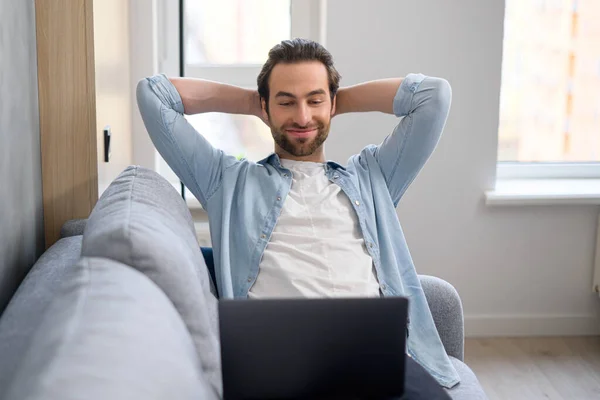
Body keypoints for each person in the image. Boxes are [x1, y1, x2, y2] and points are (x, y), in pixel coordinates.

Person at [137, 38, 459, 399]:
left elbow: (434, 96)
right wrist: (253, 102)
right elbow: (154, 94)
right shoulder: (226, 181)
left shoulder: (374, 176)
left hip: (374, 358)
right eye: (286, 101)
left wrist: (336, 102)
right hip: (278, 364)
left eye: (315, 100)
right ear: (266, 106)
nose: (303, 117)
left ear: (331, 103)